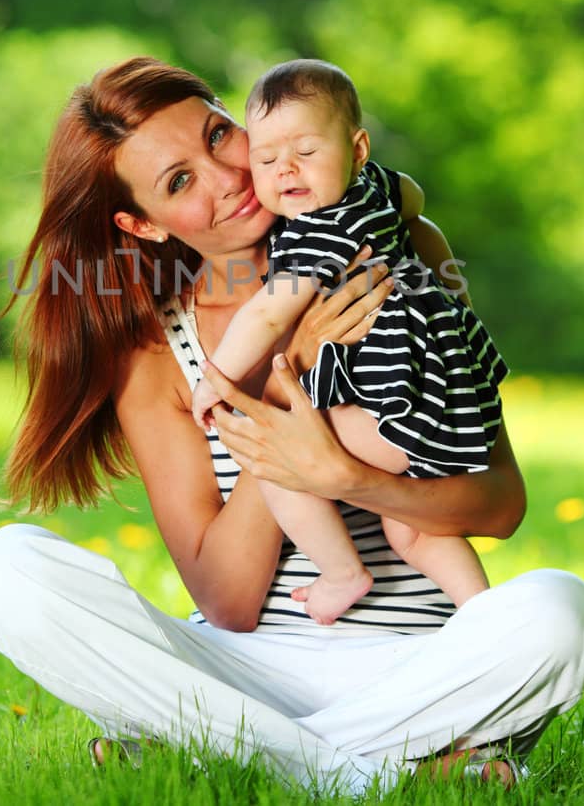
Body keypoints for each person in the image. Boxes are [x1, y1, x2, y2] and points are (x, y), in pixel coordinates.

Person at [0, 56, 584, 794]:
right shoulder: (158, 356)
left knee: (561, 609)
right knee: (9, 568)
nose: (227, 177)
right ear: (143, 224)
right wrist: (283, 377)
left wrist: (351, 478)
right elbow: (229, 600)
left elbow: (499, 501)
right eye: (179, 182)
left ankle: (230, 752)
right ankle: (370, 770)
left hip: (417, 666)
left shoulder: (394, 244)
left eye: (218, 135)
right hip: (248, 670)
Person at [189, 60, 498, 625]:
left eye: (306, 153)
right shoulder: (372, 189)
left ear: (356, 149)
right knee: (414, 534)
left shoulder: (321, 228)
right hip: (446, 397)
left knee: (280, 460)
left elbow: (265, 314)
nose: (286, 170)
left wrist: (216, 380)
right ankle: (485, 619)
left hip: (396, 408)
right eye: (267, 159)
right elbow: (414, 194)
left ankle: (342, 572)